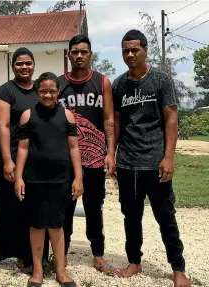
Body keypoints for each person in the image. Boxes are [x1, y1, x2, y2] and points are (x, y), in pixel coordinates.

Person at [112, 29, 191, 287]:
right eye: (125, 50)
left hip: (155, 162)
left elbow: (171, 118)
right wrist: (111, 155)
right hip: (127, 163)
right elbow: (116, 122)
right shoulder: (120, 84)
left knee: (165, 216)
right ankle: (134, 261)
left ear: (145, 50)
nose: (130, 54)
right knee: (130, 216)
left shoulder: (160, 80)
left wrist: (168, 157)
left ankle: (178, 268)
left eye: (135, 49)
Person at [15, 72, 83, 287]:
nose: (47, 95)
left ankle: (60, 271)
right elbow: (23, 148)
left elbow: (74, 148)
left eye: (52, 91)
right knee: (36, 225)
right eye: (43, 91)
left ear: (58, 92)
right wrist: (18, 177)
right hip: (34, 179)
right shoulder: (27, 115)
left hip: (61, 180)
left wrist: (78, 177)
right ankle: (37, 271)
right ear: (37, 91)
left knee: (56, 226)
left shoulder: (67, 116)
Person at [58, 35, 117, 275]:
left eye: (83, 51)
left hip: (94, 158)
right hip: (65, 158)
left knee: (94, 207)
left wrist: (110, 152)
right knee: (65, 208)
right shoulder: (59, 83)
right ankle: (62, 253)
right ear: (69, 55)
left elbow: (109, 119)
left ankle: (98, 255)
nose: (79, 56)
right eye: (75, 52)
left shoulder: (102, 82)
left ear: (90, 54)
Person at [0, 47, 49, 273]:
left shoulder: (40, 90)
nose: (24, 67)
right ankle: (21, 255)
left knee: (36, 207)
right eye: (19, 63)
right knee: (14, 208)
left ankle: (37, 254)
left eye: (28, 63)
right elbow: (1, 127)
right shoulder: (5, 91)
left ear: (34, 65)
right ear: (12, 66)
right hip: (14, 156)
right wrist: (7, 160)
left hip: (38, 157)